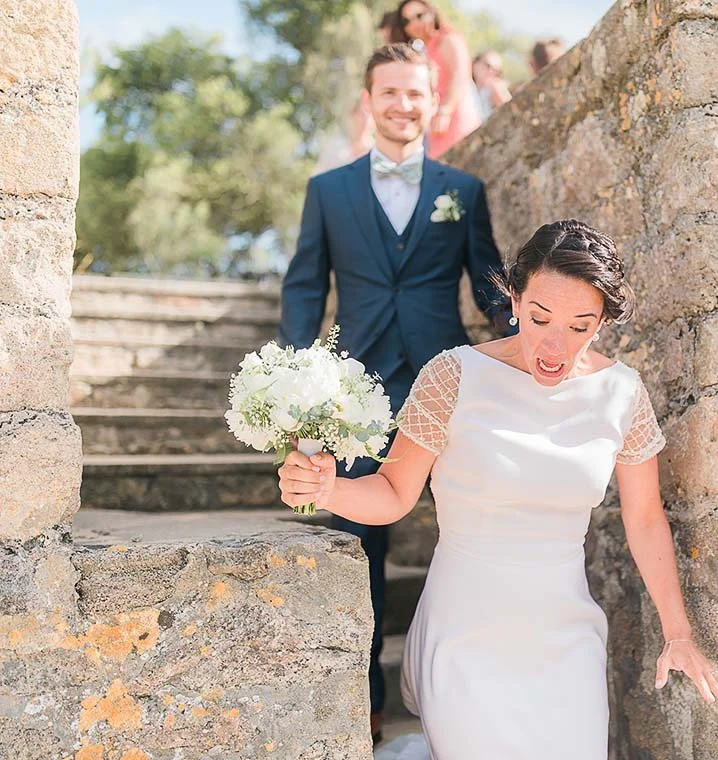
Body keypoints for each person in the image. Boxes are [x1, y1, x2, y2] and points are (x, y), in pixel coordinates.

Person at [278, 220, 718, 759]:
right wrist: (328, 489)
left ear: (604, 322)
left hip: (565, 639)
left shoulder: (623, 394)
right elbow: (392, 493)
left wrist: (678, 633)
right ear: (514, 299)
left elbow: (644, 520)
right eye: (539, 317)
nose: (553, 343)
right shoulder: (452, 376)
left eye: (579, 325)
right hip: (464, 633)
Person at [277, 42, 513, 747]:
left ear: (433, 100)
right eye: (391, 93)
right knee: (360, 548)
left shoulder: (463, 191)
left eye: (416, 93)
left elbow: (489, 285)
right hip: (355, 397)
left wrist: (529, 346)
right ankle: (366, 705)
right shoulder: (329, 191)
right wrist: (296, 390)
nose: (404, 105)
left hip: (450, 390)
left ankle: (483, 689)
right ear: (369, 100)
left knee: (478, 538)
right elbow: (303, 289)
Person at [388, 0, 482, 159]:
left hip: (456, 118)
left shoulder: (448, 38)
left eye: (419, 15)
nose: (414, 23)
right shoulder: (423, 50)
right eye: (407, 21)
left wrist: (445, 110)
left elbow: (460, 76)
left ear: (432, 12)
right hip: (436, 126)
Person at [472, 50, 512, 121]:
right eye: (488, 66)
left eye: (496, 70)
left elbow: (512, 113)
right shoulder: (465, 87)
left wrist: (500, 92)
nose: (491, 72)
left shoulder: (494, 90)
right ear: (475, 64)